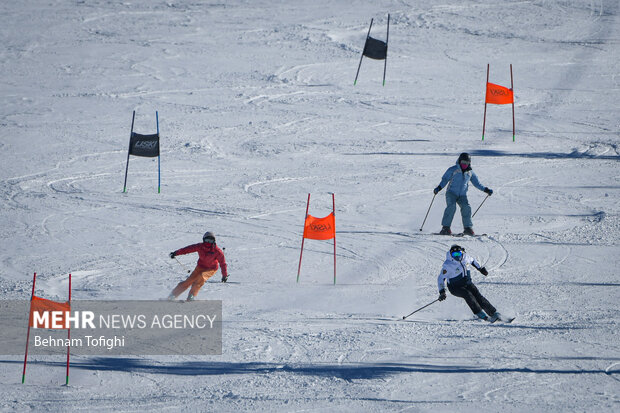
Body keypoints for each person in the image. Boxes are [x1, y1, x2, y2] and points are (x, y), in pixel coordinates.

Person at [437, 244, 503, 322]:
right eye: (454, 254)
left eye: (458, 254)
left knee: (478, 296)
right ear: (451, 254)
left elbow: (473, 261)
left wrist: (480, 269)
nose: (457, 256)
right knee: (468, 295)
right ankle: (481, 315)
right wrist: (442, 292)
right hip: (455, 287)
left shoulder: (466, 257)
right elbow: (440, 278)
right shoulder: (448, 265)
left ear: (462, 252)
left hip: (467, 284)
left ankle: (494, 314)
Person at [433, 152, 493, 235]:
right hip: (451, 193)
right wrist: (439, 188)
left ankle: (467, 228)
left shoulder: (470, 172)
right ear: (459, 161)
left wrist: (486, 190)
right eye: (463, 162)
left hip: (462, 195)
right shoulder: (453, 169)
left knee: (466, 207)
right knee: (451, 207)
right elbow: (445, 180)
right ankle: (446, 228)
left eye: (467, 163)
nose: (464, 164)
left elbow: (477, 183)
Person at [168, 231, 228, 301]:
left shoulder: (217, 251)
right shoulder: (200, 246)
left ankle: (191, 296)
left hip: (211, 269)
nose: (208, 242)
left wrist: (224, 275)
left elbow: (223, 263)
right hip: (200, 267)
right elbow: (187, 249)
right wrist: (175, 253)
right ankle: (173, 295)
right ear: (203, 240)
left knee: (201, 277)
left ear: (214, 241)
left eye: (210, 240)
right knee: (188, 281)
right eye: (207, 240)